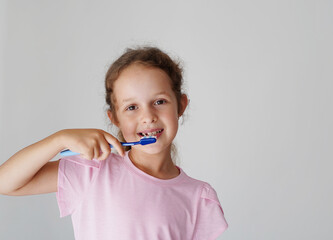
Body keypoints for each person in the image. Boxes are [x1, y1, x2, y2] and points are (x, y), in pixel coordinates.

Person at [0, 46, 228, 239]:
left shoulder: (199, 197)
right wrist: (59, 139)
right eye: (132, 107)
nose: (147, 116)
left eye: (159, 101)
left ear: (181, 104)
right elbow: (5, 183)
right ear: (115, 118)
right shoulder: (93, 170)